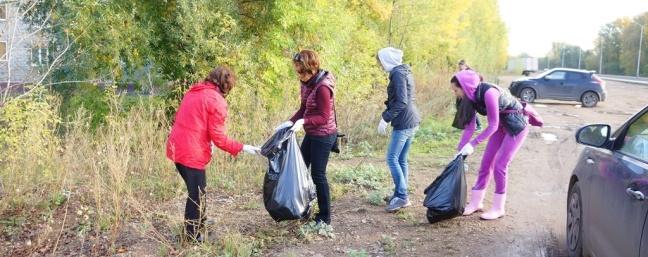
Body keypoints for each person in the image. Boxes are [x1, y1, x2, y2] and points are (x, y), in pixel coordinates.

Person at [166, 66, 261, 242]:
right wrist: (243, 147)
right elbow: (219, 138)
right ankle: (191, 237)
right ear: (226, 87)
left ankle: (199, 227)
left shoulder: (193, 91)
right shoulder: (216, 101)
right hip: (190, 153)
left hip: (176, 147)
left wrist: (206, 140)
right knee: (197, 195)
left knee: (198, 191)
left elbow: (187, 119)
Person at [451, 69, 529, 220]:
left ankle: (498, 208)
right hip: (500, 127)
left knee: (500, 165)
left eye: (455, 90)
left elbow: (492, 125)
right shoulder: (469, 96)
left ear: (464, 86)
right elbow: (470, 127)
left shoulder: (489, 93)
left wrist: (473, 144)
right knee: (486, 164)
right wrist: (460, 150)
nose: (455, 93)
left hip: (516, 127)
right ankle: (475, 203)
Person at [275, 50, 338, 225]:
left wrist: (304, 121)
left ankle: (325, 217)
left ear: (312, 68)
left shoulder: (323, 87)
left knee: (318, 175)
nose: (299, 75)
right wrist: (289, 122)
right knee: (301, 169)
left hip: (324, 135)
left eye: (301, 71)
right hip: (312, 133)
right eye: (297, 71)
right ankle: (301, 208)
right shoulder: (307, 83)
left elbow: (324, 117)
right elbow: (303, 109)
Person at [376, 47, 421, 213]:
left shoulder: (398, 74)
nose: (380, 65)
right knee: (401, 159)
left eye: (381, 61)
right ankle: (399, 193)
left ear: (387, 60)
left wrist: (385, 118)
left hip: (404, 121)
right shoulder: (404, 70)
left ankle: (402, 196)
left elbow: (401, 102)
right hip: (411, 119)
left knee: (392, 158)